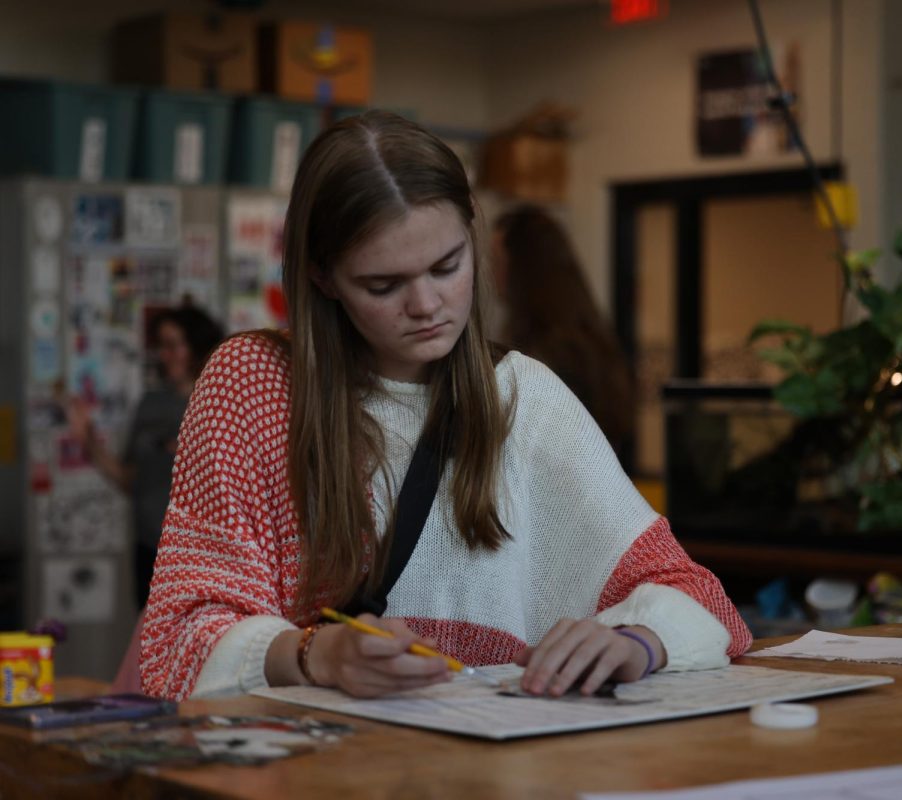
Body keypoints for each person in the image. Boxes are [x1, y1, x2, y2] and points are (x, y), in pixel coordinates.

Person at [140, 112, 751, 702]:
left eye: (447, 266)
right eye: (383, 285)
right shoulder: (253, 384)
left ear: (473, 235)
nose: (427, 304)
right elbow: (178, 641)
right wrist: (316, 654)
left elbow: (702, 599)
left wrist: (637, 642)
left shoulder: (524, 395)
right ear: (323, 277)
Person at [69, 305, 224, 609]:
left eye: (172, 345)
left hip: (199, 553)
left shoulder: (218, 404)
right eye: (160, 346)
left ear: (197, 345)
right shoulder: (149, 403)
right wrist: (88, 441)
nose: (165, 355)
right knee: (149, 642)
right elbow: (129, 479)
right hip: (148, 546)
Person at [492, 205, 634, 450]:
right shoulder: (588, 331)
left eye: (496, 261)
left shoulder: (542, 351)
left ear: (521, 267)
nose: (489, 272)